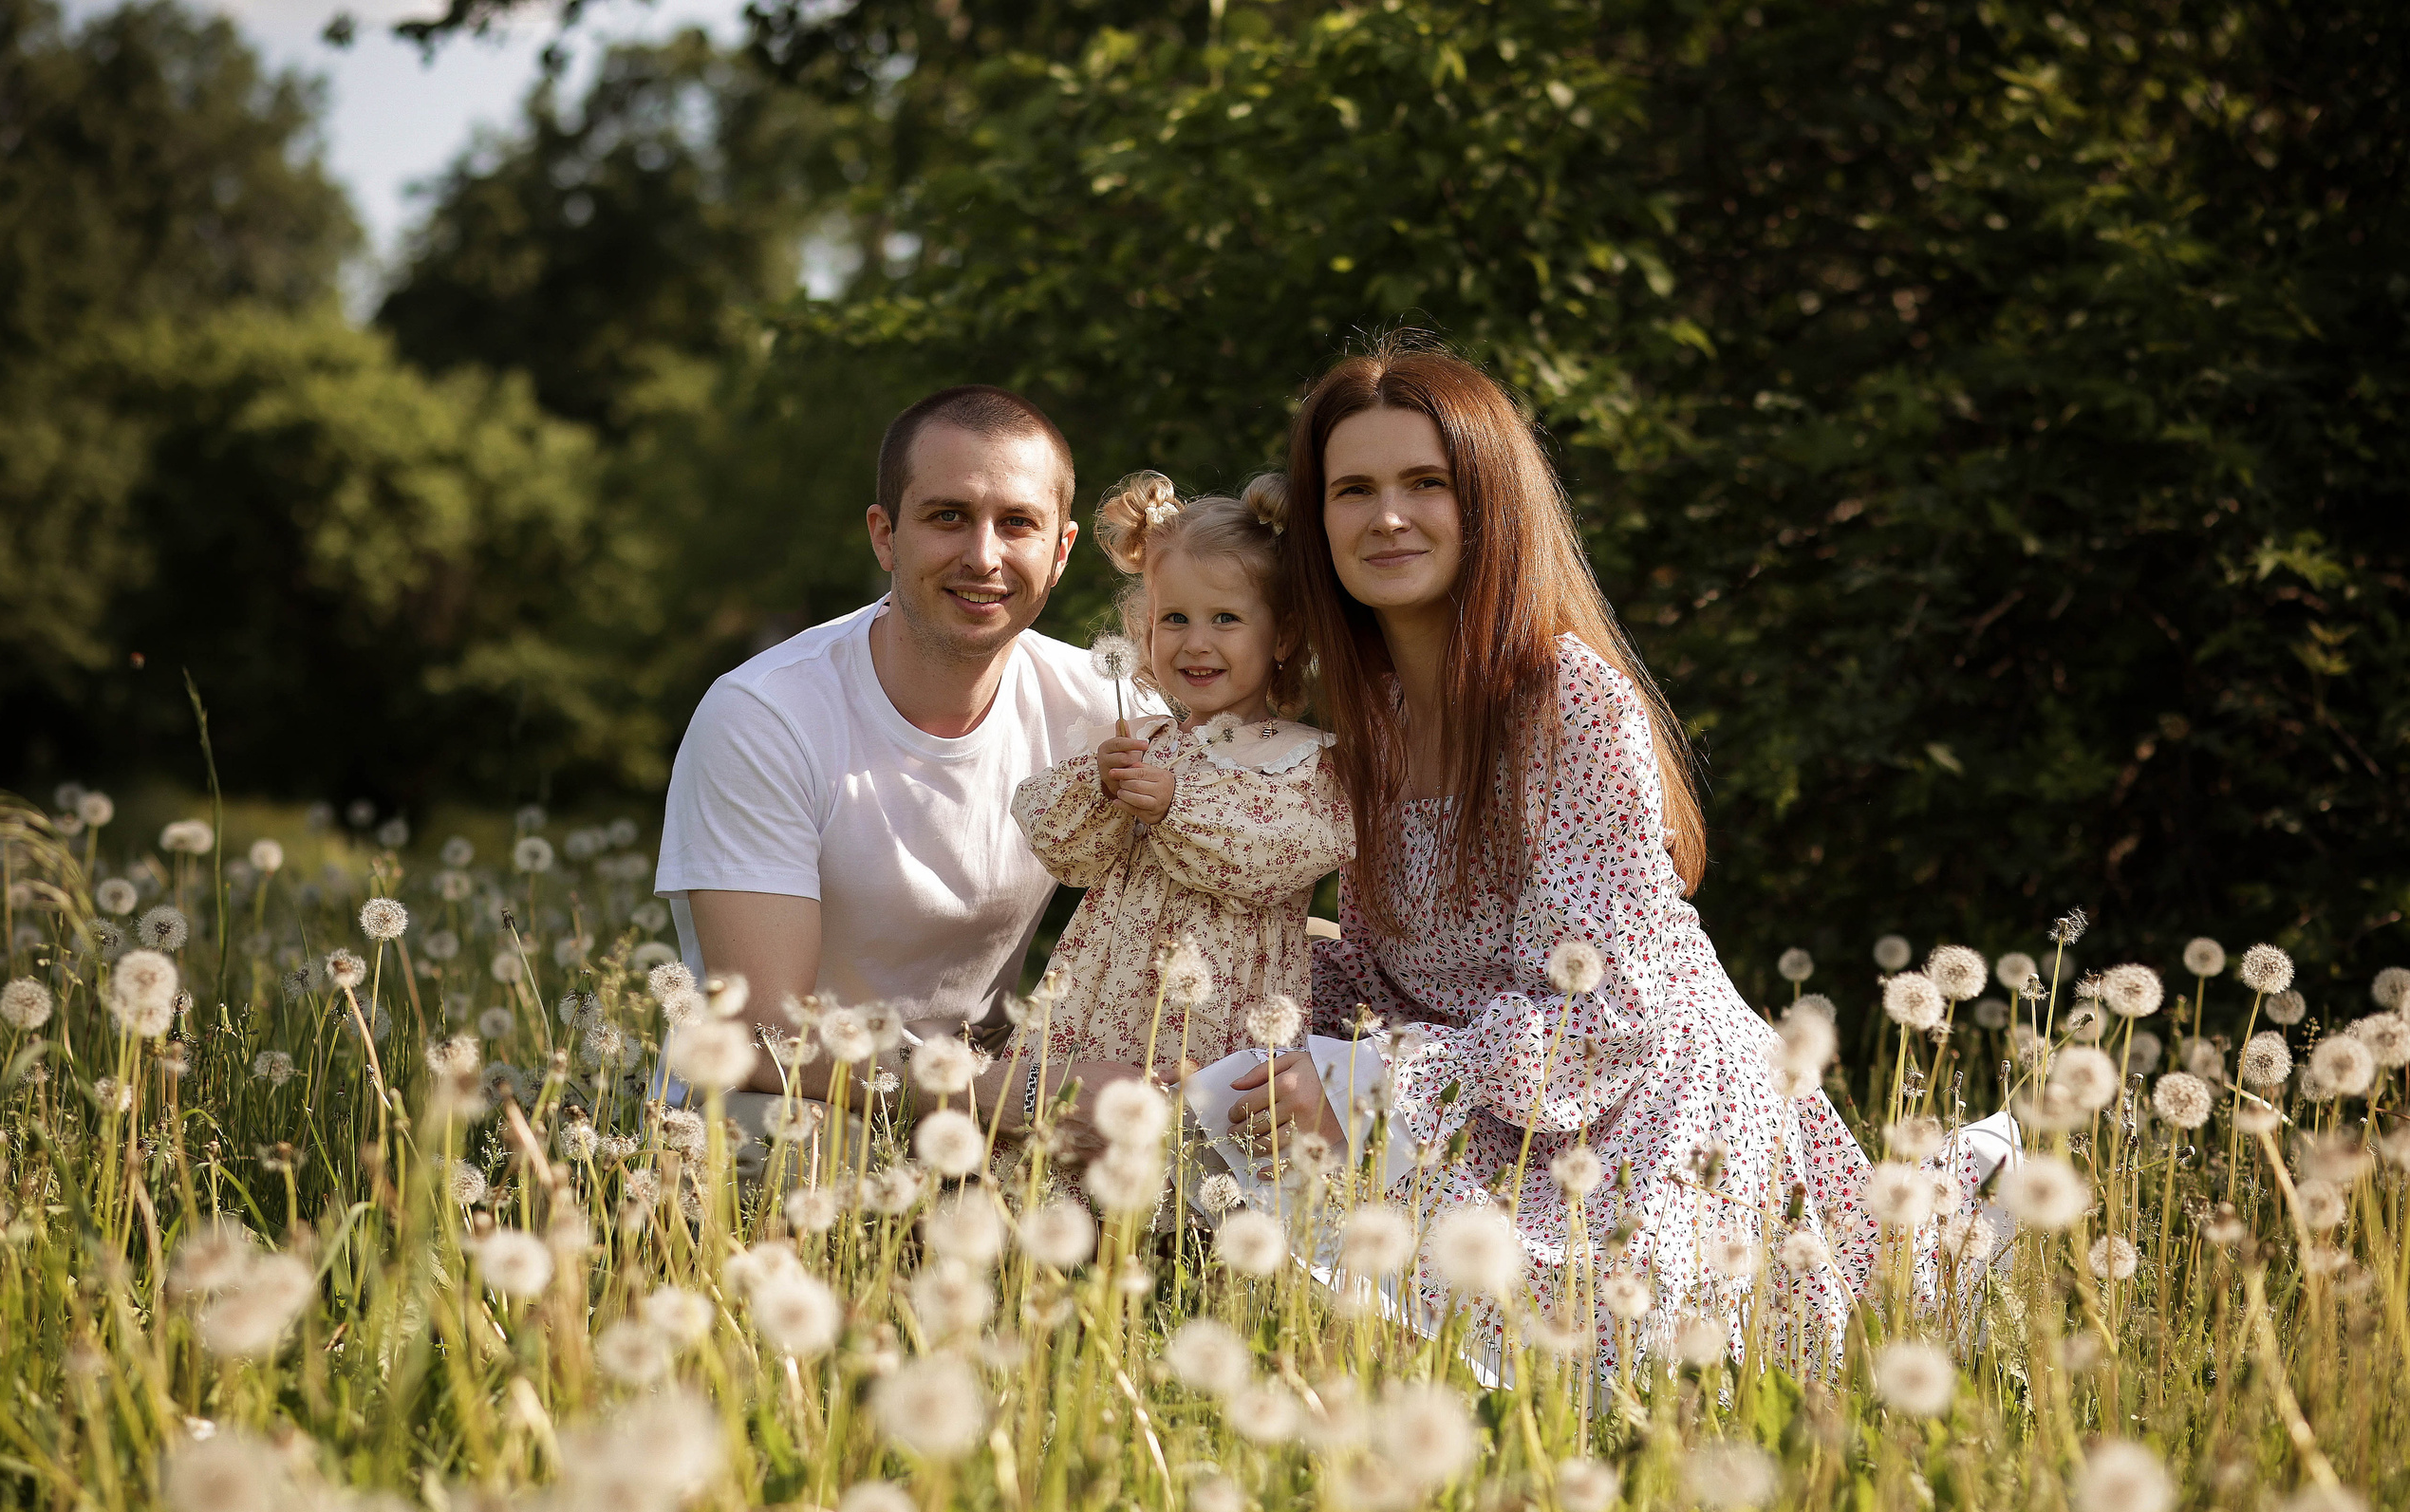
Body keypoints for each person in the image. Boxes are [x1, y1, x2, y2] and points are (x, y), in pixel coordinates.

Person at [1215, 341, 2001, 1373]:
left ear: (1488, 504)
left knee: (1573, 1364)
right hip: (1472, 1096)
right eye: (1352, 489)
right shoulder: (1368, 718)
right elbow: (1379, 975)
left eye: (1426, 484)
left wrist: (1372, 1092)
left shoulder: (1565, 702)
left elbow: (1608, 1016)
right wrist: (1239, 982)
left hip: (1635, 1105)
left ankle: (1954, 1209)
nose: (1387, 517)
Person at [652, 384, 1147, 1126]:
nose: (984, 556)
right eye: (948, 516)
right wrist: (1027, 1097)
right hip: (794, 1104)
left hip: (986, 1103)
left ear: (1061, 551)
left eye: (1017, 523)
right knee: (801, 1154)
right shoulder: (764, 716)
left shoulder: (1103, 708)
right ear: (885, 535)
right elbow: (767, 1036)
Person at [1012, 471, 1354, 1082]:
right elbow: (1061, 850)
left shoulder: (1306, 761)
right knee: (1066, 1144)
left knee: (1195, 1154)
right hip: (1103, 1003)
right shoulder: (1140, 742)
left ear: (1284, 635)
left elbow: (1277, 856)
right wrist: (1102, 788)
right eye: (1174, 619)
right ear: (1145, 630)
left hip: (1223, 1010)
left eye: (1225, 618)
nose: (1196, 643)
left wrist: (1177, 810)